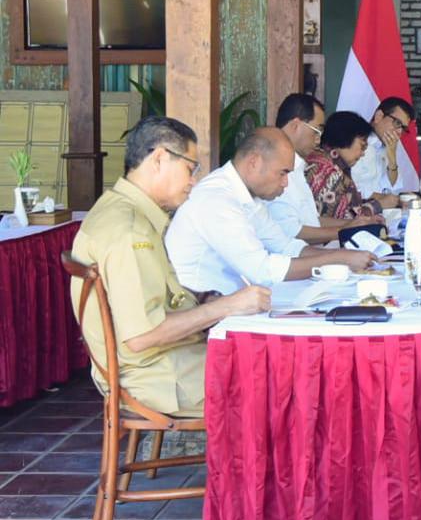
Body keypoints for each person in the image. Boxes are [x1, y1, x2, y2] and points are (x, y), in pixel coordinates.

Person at [69, 116, 271, 417]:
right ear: (160, 158)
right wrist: (226, 306)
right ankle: (253, 464)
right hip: (155, 376)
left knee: (271, 362)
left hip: (158, 363)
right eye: (190, 168)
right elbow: (142, 336)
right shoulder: (129, 230)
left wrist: (202, 300)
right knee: (280, 381)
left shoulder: (116, 207)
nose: (193, 182)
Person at [167, 127, 374, 296]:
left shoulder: (249, 196)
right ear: (254, 162)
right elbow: (263, 270)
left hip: (233, 305)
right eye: (282, 173)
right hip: (204, 317)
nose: (285, 183)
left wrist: (344, 255)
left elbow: (285, 247)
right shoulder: (217, 199)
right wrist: (338, 259)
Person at [267, 93, 373, 245]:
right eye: (317, 131)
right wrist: (344, 231)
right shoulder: (275, 167)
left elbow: (311, 220)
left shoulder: (298, 166)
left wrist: (355, 224)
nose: (319, 138)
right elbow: (291, 231)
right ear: (295, 125)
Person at [305, 111, 385, 223]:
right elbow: (342, 220)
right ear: (345, 137)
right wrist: (376, 206)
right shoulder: (328, 171)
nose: (363, 153)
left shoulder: (324, 160)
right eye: (362, 146)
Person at [350, 97, 414, 209]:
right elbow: (352, 189)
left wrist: (392, 157)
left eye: (403, 128)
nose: (399, 132)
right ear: (379, 116)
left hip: (384, 213)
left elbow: (394, 187)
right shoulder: (357, 142)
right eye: (397, 123)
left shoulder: (387, 146)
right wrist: (390, 200)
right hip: (360, 213)